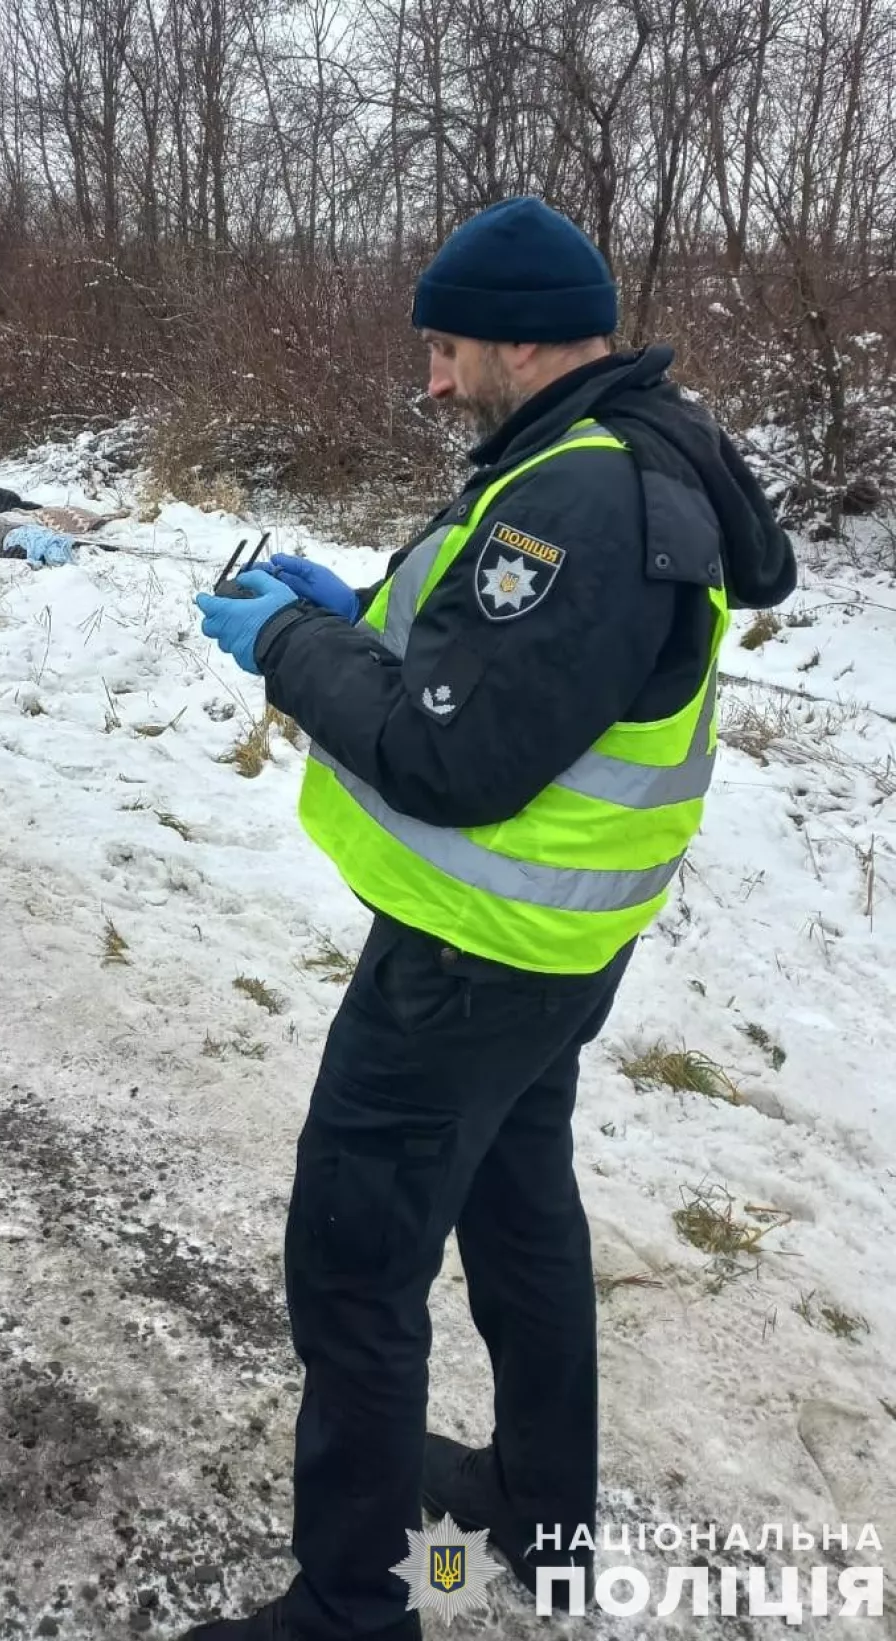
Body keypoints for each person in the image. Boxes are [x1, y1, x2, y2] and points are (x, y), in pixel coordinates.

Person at [189, 196, 796, 1641]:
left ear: (523, 339)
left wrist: (283, 646)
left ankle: (349, 1611)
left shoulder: (576, 496)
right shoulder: (611, 450)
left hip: (467, 968)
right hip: (549, 960)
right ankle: (539, 1508)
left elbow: (453, 757)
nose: (435, 379)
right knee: (522, 1220)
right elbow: (491, 667)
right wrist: (348, 610)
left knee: (354, 1270)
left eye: (450, 347)